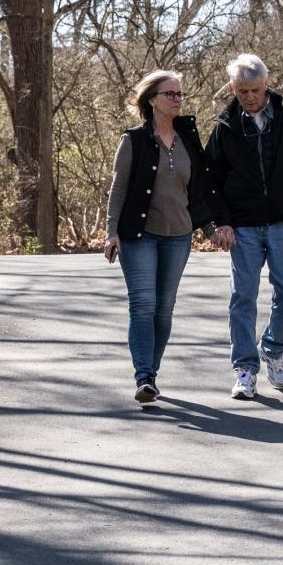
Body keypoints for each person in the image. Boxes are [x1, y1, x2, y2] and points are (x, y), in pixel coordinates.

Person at [205, 54, 283, 400]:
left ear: (266, 85)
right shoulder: (225, 125)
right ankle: (244, 368)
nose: (249, 97)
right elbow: (211, 177)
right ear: (232, 88)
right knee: (242, 296)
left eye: (255, 90)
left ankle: (272, 349)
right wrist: (221, 221)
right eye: (242, 90)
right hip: (242, 224)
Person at [105, 70, 222, 404]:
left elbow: (199, 188)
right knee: (143, 304)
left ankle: (151, 374)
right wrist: (111, 232)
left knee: (165, 308)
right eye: (170, 94)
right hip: (139, 235)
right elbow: (118, 189)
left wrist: (210, 227)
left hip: (179, 235)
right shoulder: (133, 140)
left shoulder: (188, 137)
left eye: (180, 94)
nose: (178, 100)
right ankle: (143, 375)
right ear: (152, 100)